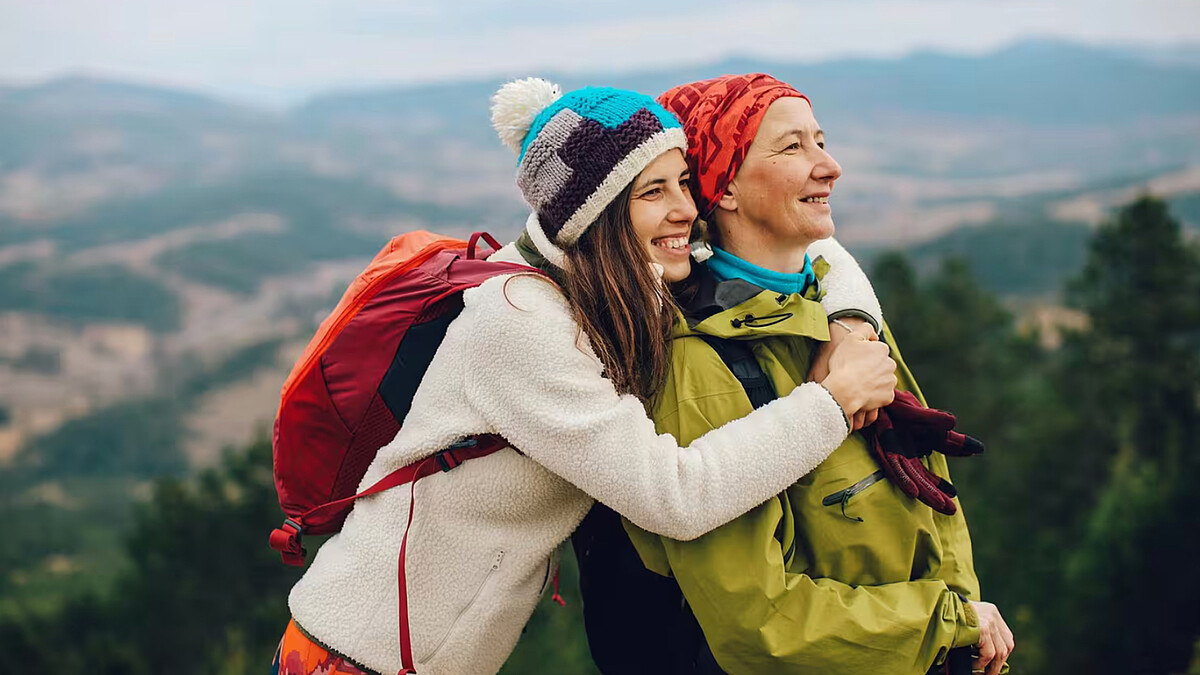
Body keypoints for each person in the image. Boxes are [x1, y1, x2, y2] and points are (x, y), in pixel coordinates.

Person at [273, 79, 897, 675]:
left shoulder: (616, 272)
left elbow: (819, 247)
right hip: (353, 656)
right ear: (594, 214)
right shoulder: (520, 322)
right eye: (654, 192)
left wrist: (850, 326)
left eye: (683, 182)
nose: (687, 209)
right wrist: (832, 402)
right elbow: (675, 497)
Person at [573, 74, 1014, 675]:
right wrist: (947, 624)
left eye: (820, 141)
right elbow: (758, 621)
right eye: (792, 147)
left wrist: (963, 622)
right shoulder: (696, 359)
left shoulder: (839, 321)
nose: (830, 167)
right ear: (725, 186)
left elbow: (929, 497)